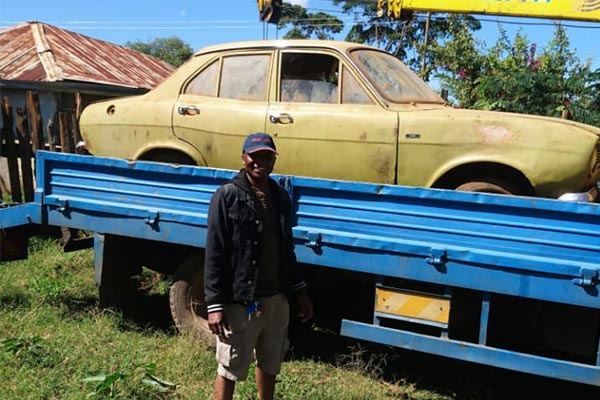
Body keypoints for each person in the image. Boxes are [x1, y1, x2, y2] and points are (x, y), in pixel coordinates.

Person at [204, 132, 314, 400]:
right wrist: (215, 305)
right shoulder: (227, 196)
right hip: (242, 301)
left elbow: (287, 249)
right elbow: (214, 252)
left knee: (270, 363)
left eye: (267, 156)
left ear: (274, 160)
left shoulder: (280, 197)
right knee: (231, 366)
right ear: (243, 158)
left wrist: (300, 294)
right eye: (255, 156)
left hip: (277, 298)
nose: (260, 162)